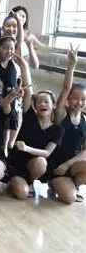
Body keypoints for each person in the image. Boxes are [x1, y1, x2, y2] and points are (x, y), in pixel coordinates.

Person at [49, 45, 86, 204]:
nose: (79, 102)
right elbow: (65, 88)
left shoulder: (85, 119)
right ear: (68, 99)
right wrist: (71, 65)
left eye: (83, 99)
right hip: (56, 166)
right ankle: (54, 184)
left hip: (70, 165)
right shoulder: (61, 114)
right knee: (69, 199)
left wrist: (68, 164)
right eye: (75, 98)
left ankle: (73, 186)